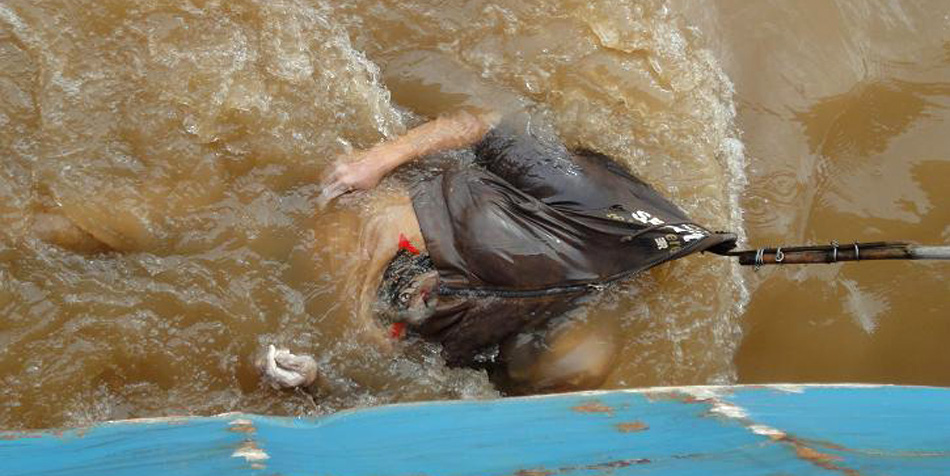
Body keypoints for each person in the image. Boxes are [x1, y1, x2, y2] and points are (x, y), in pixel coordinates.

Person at [297, 109, 736, 393]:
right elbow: (486, 122)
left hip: (468, 309)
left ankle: (310, 379)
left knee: (578, 363)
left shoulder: (584, 255)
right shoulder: (575, 192)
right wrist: (376, 160)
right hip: (417, 218)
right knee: (344, 219)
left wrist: (316, 383)